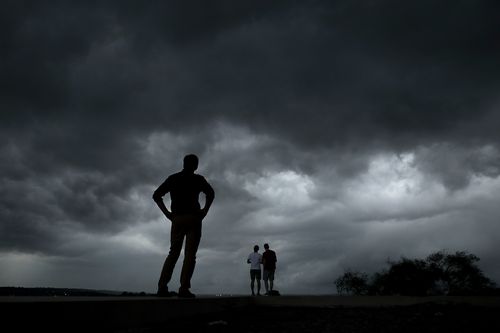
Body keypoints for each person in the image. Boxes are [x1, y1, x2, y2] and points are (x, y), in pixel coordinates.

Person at [153, 154, 215, 298]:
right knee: (190, 255)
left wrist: (167, 214)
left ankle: (162, 287)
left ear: (184, 163)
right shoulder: (198, 179)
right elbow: (211, 194)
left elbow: (156, 196)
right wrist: (205, 210)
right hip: (193, 218)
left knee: (173, 253)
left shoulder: (173, 178)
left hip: (177, 219)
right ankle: (184, 288)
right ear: (196, 165)